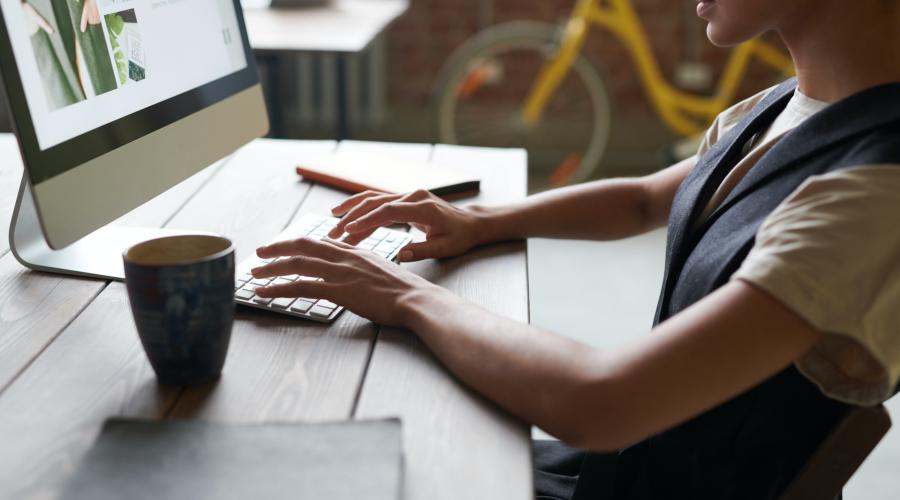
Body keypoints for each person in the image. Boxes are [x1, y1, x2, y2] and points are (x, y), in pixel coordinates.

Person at [252, 0, 900, 497]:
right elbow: (646, 199)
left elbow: (602, 403)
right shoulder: (788, 104)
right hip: (616, 471)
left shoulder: (874, 193)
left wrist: (401, 295)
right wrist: (478, 220)